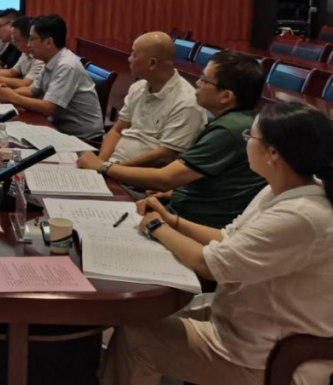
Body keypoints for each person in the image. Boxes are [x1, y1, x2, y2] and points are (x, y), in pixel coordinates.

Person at [101, 101, 333, 385]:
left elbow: (210, 264)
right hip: (249, 323)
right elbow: (228, 237)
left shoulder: (301, 215)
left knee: (136, 337)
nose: (246, 142)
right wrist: (173, 221)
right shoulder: (280, 190)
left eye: (250, 136)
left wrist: (156, 227)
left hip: (268, 356)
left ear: (273, 152)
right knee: (141, 314)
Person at [77, 51, 267, 228]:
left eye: (204, 79)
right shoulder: (239, 122)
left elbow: (165, 178)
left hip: (193, 222)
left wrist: (103, 167)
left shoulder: (228, 130)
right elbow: (207, 179)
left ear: (226, 96)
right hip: (179, 205)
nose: (197, 83)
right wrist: (171, 194)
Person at [96, 32, 206, 165]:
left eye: (134, 55)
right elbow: (116, 131)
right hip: (114, 165)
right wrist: (99, 165)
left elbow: (165, 156)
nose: (129, 59)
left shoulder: (186, 103)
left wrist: (107, 169)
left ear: (152, 63)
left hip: (139, 173)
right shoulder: (138, 87)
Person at [0, 14, 104, 141]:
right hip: (59, 128)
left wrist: (13, 97)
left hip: (83, 138)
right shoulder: (50, 60)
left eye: (32, 39)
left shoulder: (66, 65)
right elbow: (32, 90)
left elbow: (48, 108)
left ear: (48, 42)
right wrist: (6, 92)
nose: (29, 44)